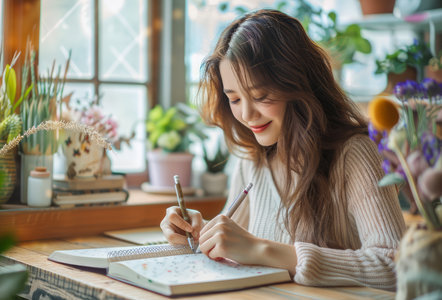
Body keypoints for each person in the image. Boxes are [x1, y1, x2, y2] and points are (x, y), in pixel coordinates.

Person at [160, 9, 406, 291]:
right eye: (235, 99)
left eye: (261, 96)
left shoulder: (355, 154)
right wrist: (199, 232)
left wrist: (264, 251)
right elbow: (234, 246)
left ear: (298, 83)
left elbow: (396, 265)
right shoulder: (251, 160)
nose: (248, 114)